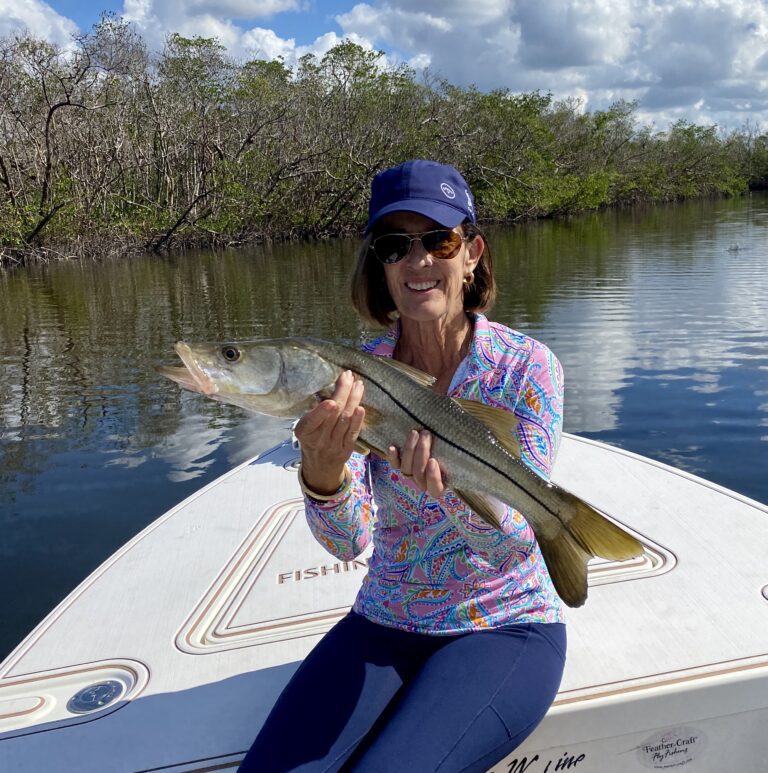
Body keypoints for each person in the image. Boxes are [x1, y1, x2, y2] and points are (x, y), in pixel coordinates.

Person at [238, 160, 566, 772]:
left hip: (505, 621)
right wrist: (322, 475)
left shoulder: (525, 368)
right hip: (386, 618)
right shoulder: (349, 377)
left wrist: (449, 495)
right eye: (394, 245)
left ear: (471, 254)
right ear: (380, 268)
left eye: (437, 240)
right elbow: (350, 541)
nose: (417, 261)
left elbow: (517, 543)